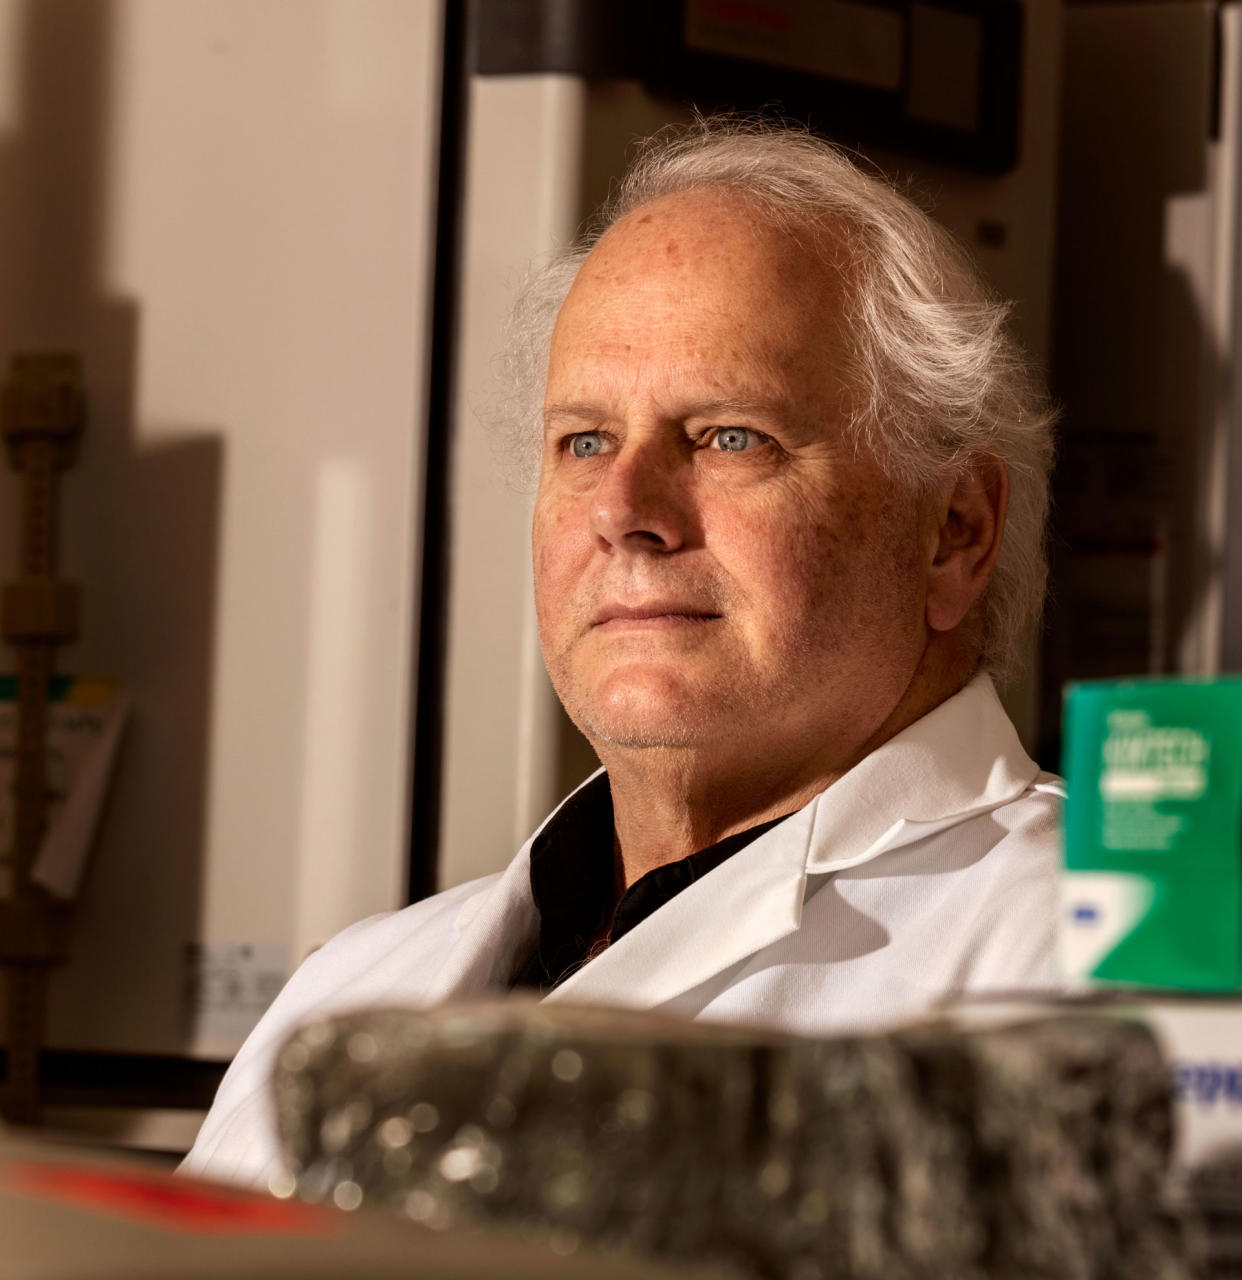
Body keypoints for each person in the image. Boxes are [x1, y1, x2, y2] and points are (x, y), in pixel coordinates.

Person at [183, 120, 1061, 1188]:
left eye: (730, 435)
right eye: (584, 441)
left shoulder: (1089, 964)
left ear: (954, 529)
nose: (626, 510)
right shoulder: (352, 985)